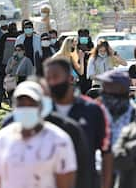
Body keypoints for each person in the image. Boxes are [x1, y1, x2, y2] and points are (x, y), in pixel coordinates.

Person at [1, 77, 92, 188]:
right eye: (21, 104)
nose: (26, 108)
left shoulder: (61, 138)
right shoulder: (4, 136)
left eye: (31, 104)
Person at [43, 57, 112, 188]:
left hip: (85, 181)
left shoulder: (92, 110)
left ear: (70, 78)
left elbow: (106, 152)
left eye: (56, 77)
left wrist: (106, 184)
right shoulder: (42, 112)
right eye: (48, 78)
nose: (52, 82)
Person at [0, 22, 20, 108]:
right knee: (12, 84)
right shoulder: (19, 37)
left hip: (4, 64)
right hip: (14, 65)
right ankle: (12, 102)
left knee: (1, 83)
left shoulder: (4, 36)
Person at [77, 29, 95, 94]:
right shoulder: (76, 45)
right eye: (81, 36)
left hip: (88, 73)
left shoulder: (91, 45)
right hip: (79, 73)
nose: (83, 37)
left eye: (85, 35)